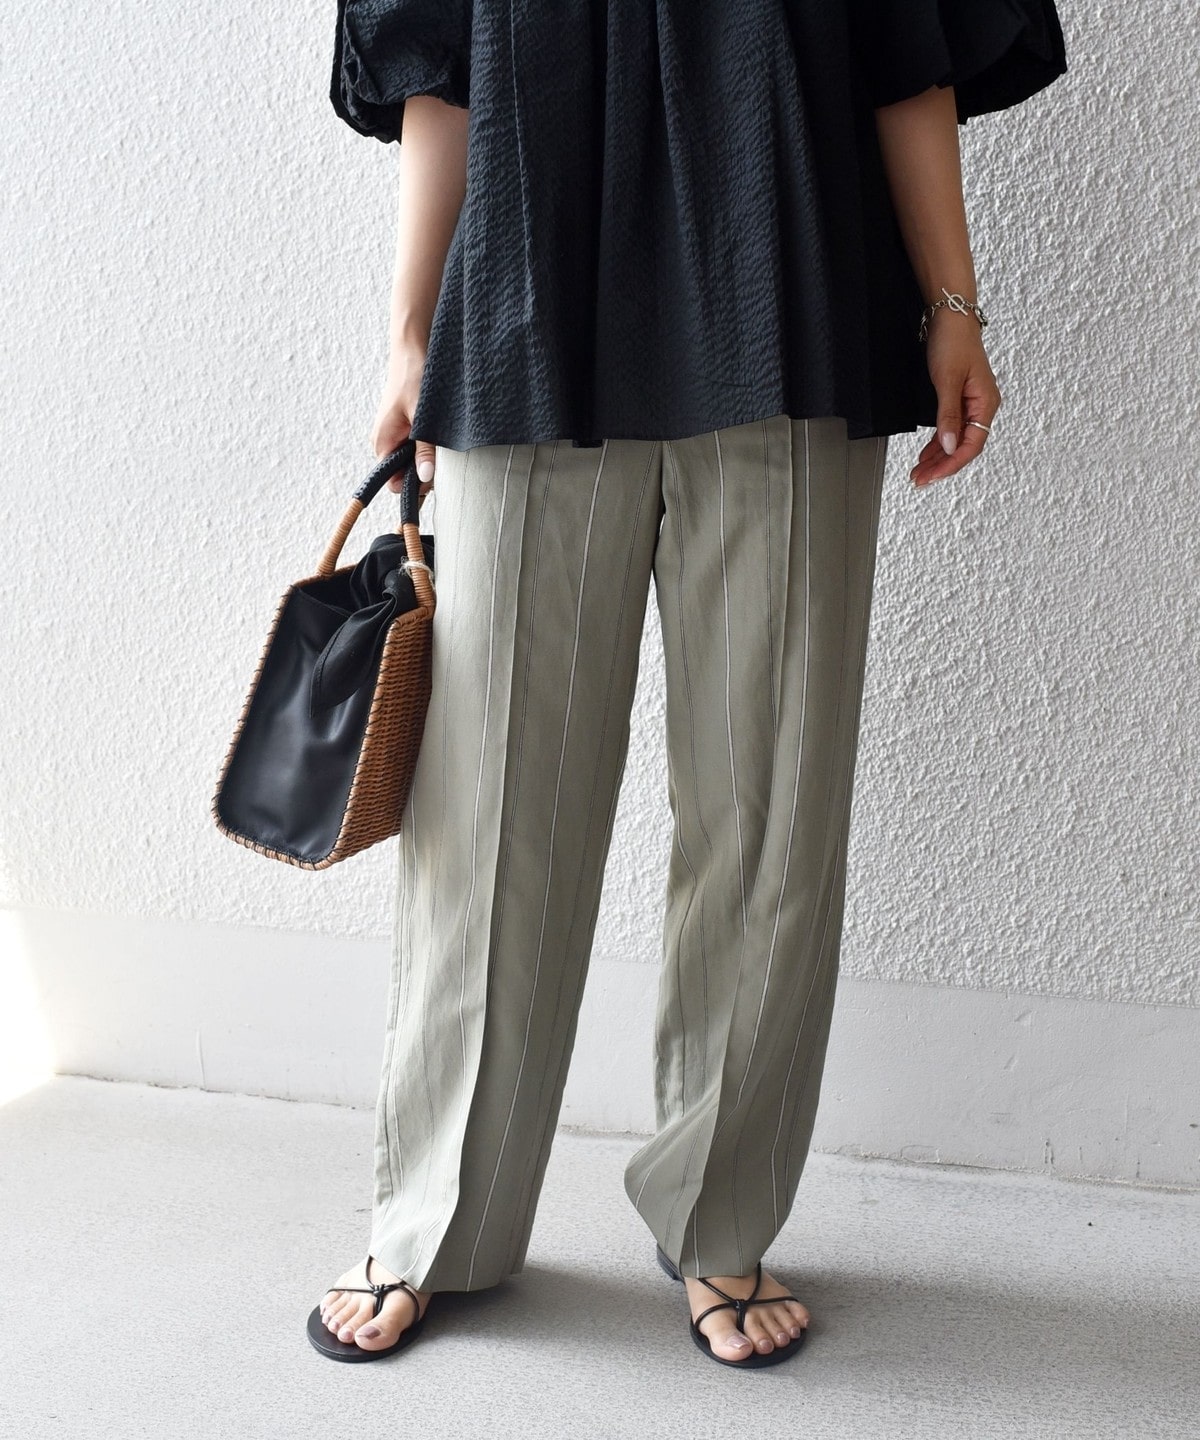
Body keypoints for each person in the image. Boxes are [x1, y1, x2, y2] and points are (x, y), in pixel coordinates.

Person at [308, 0, 1068, 1369]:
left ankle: (721, 1215)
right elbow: (439, 59)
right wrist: (411, 333)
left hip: (792, 308)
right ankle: (436, 1220)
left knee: (769, 805)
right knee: (489, 814)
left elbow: (906, 49)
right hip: (524, 307)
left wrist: (953, 304)